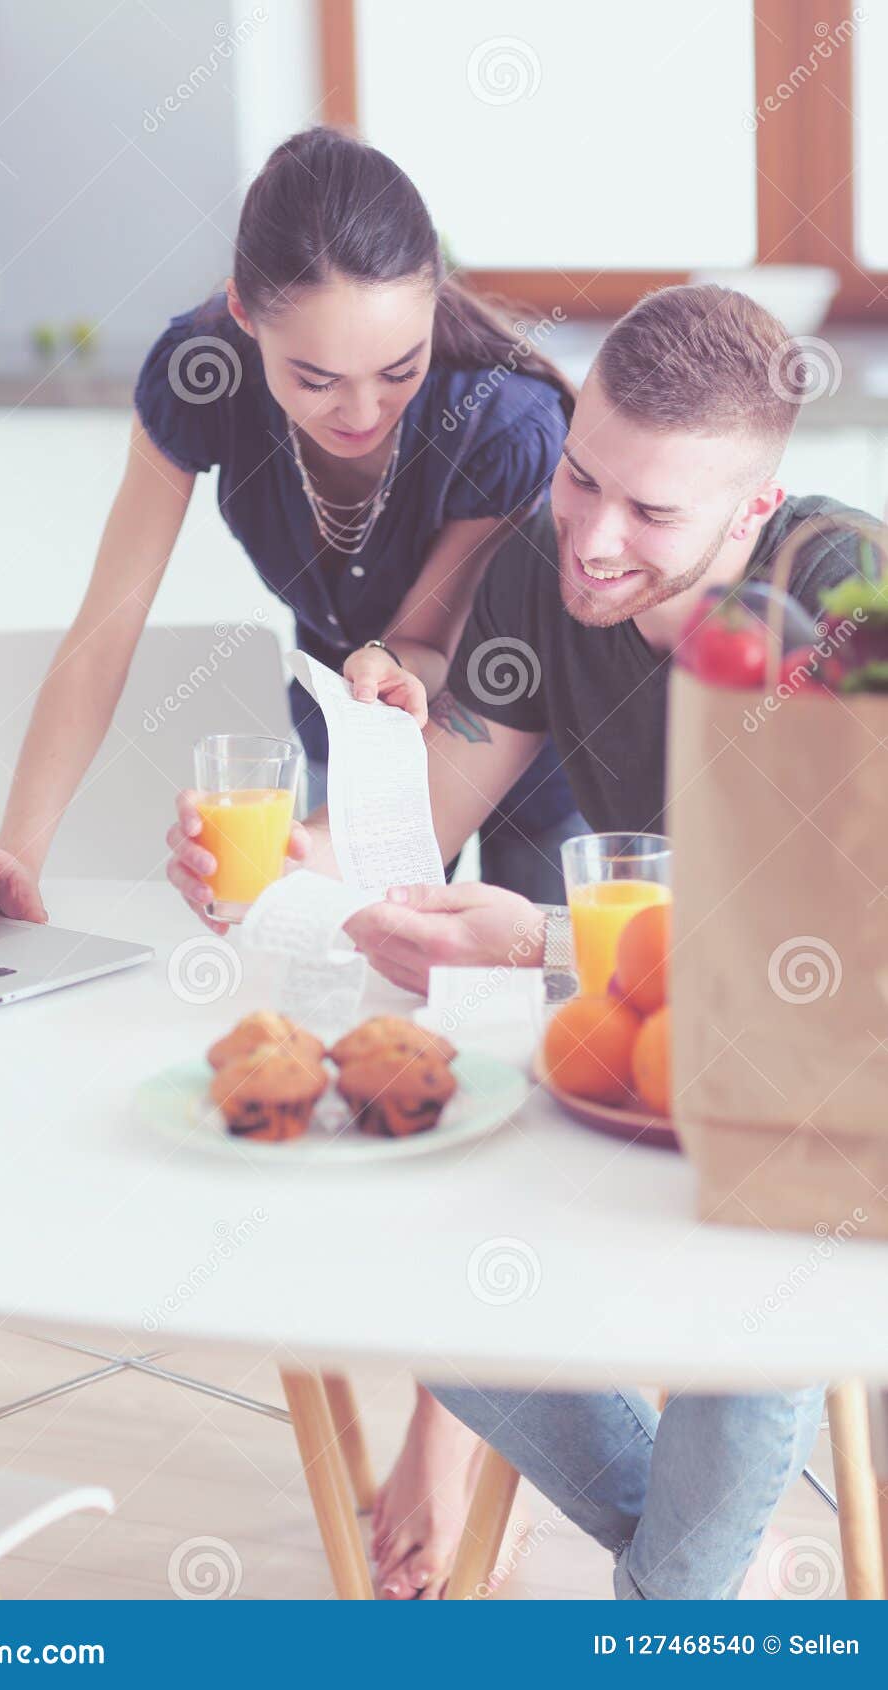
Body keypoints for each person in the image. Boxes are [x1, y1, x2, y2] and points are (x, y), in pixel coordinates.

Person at [0, 126, 584, 1597]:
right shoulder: (193, 378)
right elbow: (105, 631)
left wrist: (369, 768)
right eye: (316, 376)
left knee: (485, 1060)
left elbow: (439, 654)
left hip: (513, 712)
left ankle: (454, 1430)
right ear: (239, 319)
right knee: (363, 1028)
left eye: (395, 371)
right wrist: (17, 854)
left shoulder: (504, 422)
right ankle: (430, 1383)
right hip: (361, 698)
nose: (361, 411)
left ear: (435, 315)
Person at [171, 282, 879, 1597]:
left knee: (755, 1286)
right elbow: (416, 828)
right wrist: (257, 872)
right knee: (400, 1254)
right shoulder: (540, 582)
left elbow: (836, 936)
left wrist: (541, 942)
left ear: (753, 511)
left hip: (825, 1095)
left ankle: (669, 1601)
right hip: (642, 1068)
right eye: (581, 479)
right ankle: (681, 1566)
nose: (595, 538)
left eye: (653, 512)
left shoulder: (847, 599)